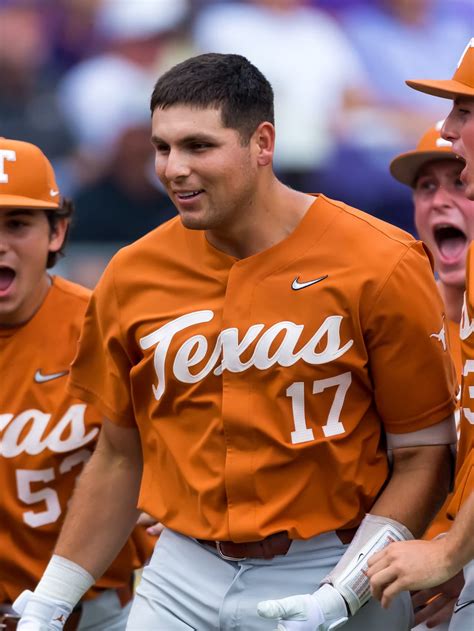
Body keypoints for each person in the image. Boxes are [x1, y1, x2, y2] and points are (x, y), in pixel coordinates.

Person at [14, 53, 458, 631]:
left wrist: (343, 593)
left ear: (262, 143)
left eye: (198, 146)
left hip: (333, 559)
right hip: (180, 571)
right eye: (162, 147)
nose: (174, 168)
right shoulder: (132, 272)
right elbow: (121, 456)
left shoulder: (381, 260)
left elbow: (425, 454)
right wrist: (50, 602)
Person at [0, 137, 154, 630]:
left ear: (57, 232)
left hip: (100, 617)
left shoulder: (104, 328)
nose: (0, 243)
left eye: (17, 224)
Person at [367, 37, 474, 631]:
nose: (441, 201)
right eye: (425, 187)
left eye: (457, 181)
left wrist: (454, 551)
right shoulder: (391, 315)